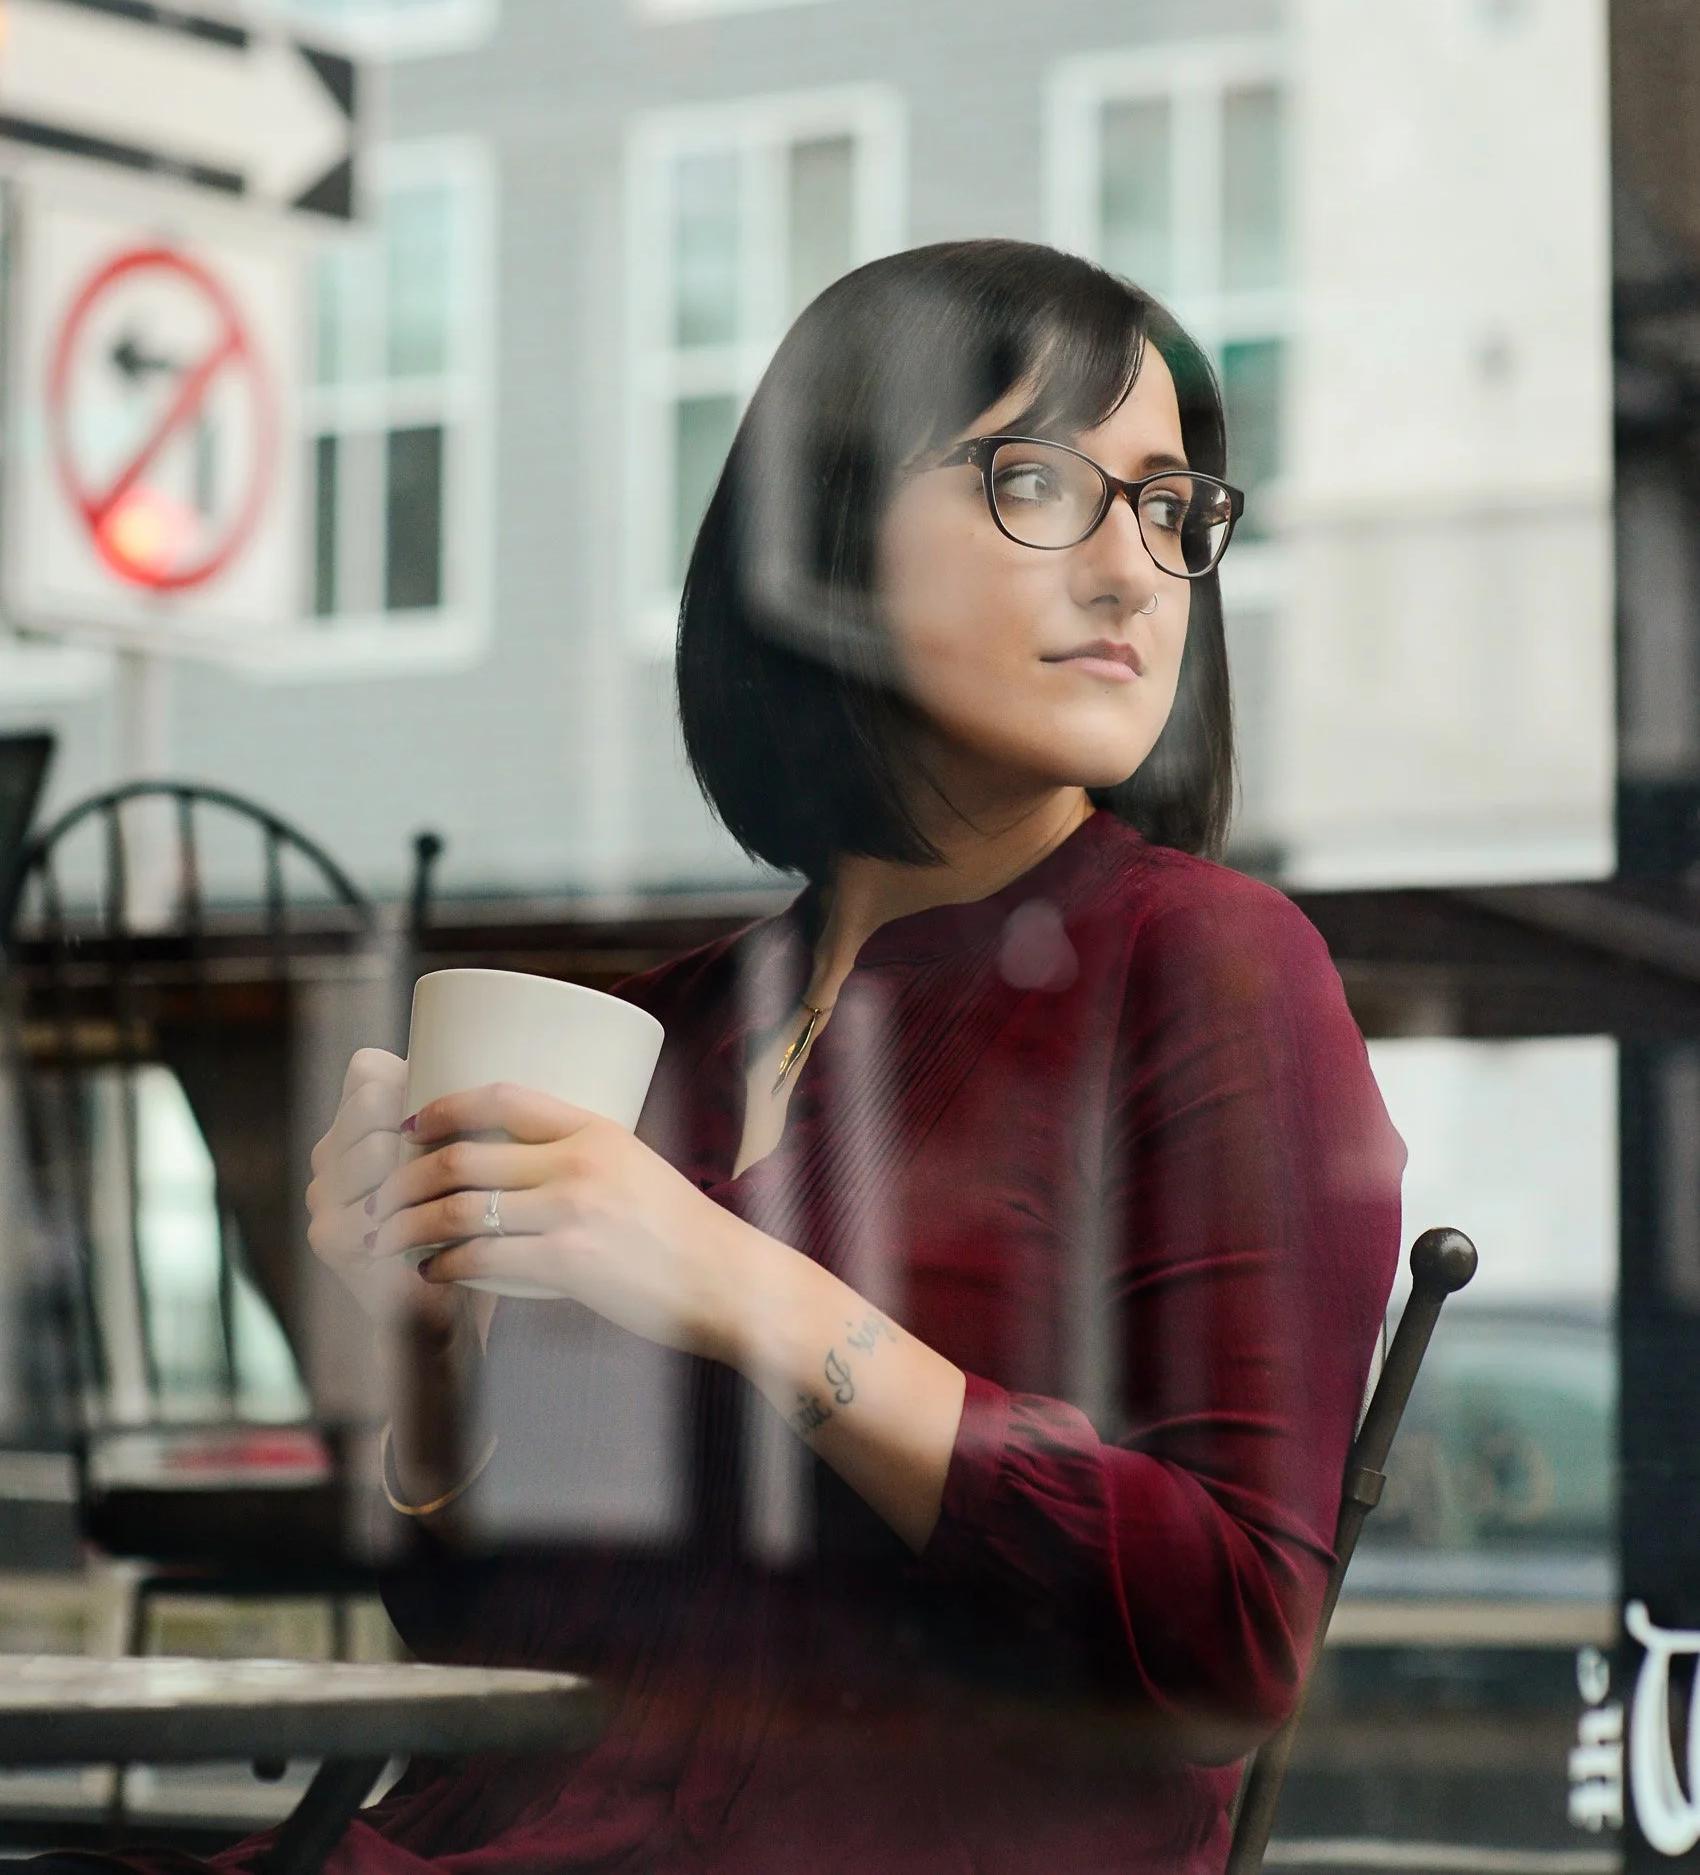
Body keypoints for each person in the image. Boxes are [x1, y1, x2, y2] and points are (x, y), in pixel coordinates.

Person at [139, 239, 1406, 1874]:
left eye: (1169, 508)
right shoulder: (673, 1026)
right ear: (821, 536)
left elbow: (1229, 1640)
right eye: (1039, 480)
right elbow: (515, 1628)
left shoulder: (1209, 966)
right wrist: (428, 1348)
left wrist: (737, 1288)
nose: (1132, 573)